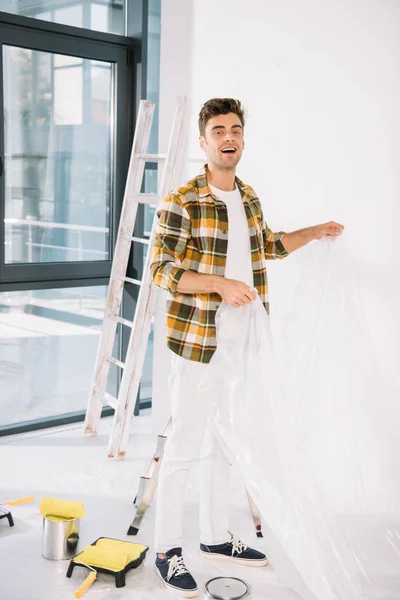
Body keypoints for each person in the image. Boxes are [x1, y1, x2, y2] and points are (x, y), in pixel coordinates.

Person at [151, 97, 344, 597]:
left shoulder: (249, 197)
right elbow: (161, 271)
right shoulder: (182, 201)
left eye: (235, 129)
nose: (228, 137)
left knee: (227, 449)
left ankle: (215, 538)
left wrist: (315, 232)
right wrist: (218, 284)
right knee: (185, 448)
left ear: (242, 138)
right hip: (199, 345)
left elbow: (270, 246)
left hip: (245, 344)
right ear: (203, 141)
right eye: (218, 130)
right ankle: (167, 549)